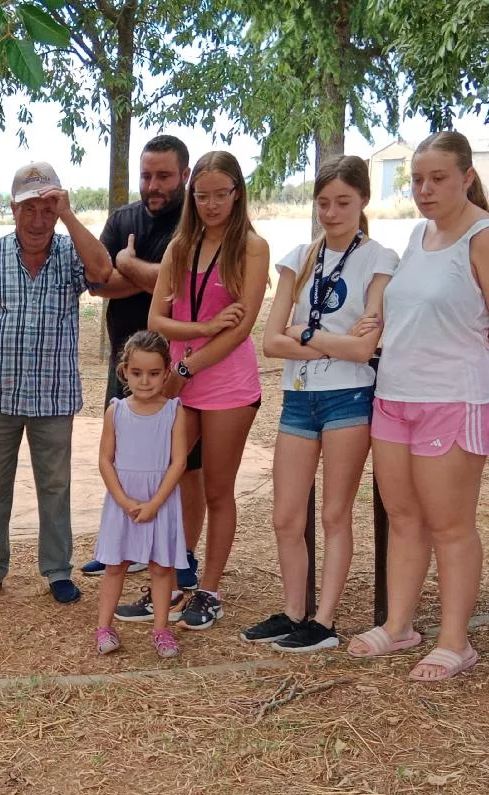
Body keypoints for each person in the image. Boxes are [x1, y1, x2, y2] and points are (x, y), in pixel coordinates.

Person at [348, 131, 489, 680]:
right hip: (395, 395)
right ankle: (400, 625)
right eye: (418, 180)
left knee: (450, 524)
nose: (425, 190)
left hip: (452, 400)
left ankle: (456, 641)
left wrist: (455, 356)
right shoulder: (417, 233)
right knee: (404, 517)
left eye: (438, 178)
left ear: (467, 177)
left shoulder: (486, 238)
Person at [248, 155, 396, 652]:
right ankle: (294, 610)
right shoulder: (300, 256)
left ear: (363, 202)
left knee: (334, 514)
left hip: (348, 396)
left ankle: (325, 621)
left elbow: (364, 349)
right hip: (299, 397)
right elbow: (269, 340)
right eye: (324, 203)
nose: (331, 213)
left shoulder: (379, 258)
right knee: (285, 516)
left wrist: (305, 331)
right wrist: (329, 338)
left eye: (343, 203)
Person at [0, 161, 114, 604]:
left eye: (49, 208)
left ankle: (58, 570)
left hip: (53, 396)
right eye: (30, 209)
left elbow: (102, 271)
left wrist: (70, 216)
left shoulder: (71, 253)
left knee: (55, 486)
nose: (39, 219)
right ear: (13, 209)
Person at [146, 150, 268, 631]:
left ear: (237, 194)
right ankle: (173, 580)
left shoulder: (251, 248)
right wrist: (202, 326)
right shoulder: (180, 248)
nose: (211, 205)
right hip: (183, 381)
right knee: (174, 483)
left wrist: (189, 362)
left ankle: (210, 589)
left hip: (225, 386)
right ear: (190, 196)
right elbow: (157, 319)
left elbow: (240, 330)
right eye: (202, 196)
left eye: (221, 195)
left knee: (218, 489)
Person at [86, 134, 204, 593]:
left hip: (177, 370)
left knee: (184, 464)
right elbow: (96, 279)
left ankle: (185, 556)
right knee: (122, 458)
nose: (153, 185)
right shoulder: (123, 219)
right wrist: (138, 270)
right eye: (146, 175)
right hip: (128, 369)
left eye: (164, 176)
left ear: (185, 175)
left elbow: (175, 281)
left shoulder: (195, 224)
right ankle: (121, 548)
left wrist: (126, 264)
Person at [93, 331, 194, 660]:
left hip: (159, 500)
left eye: (154, 374)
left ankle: (161, 629)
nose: (146, 381)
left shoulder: (174, 411)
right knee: (115, 565)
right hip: (123, 502)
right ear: (125, 371)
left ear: (167, 372)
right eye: (137, 373)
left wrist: (154, 504)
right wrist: (123, 501)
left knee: (161, 568)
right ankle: (104, 627)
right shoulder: (116, 411)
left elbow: (178, 461)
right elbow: (105, 459)